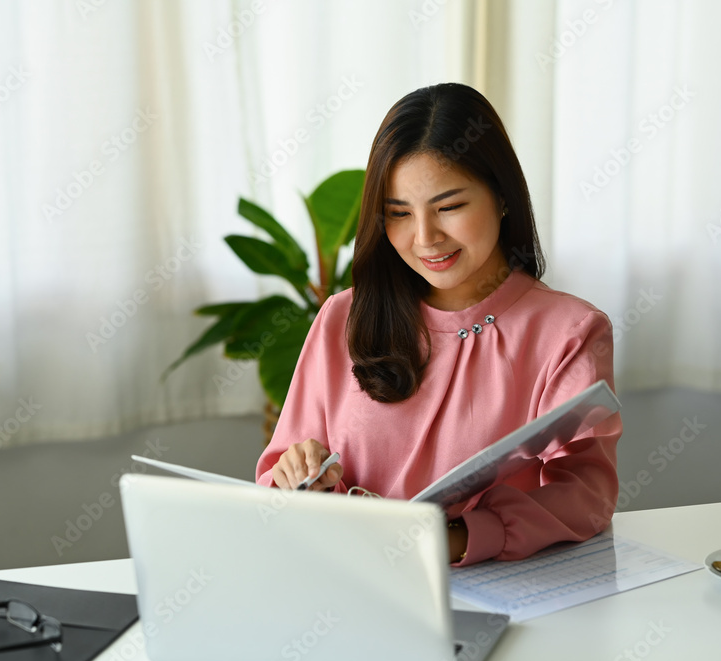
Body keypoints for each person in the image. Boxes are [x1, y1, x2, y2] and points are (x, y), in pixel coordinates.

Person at [255, 82, 621, 566]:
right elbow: (278, 474)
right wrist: (299, 475)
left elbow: (585, 493)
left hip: (488, 589)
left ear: (502, 196)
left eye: (449, 207)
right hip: (347, 579)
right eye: (399, 214)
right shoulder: (342, 317)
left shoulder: (569, 331)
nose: (425, 238)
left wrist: (459, 537)